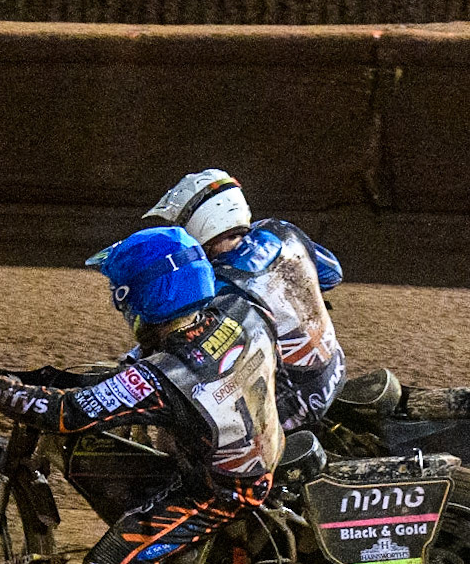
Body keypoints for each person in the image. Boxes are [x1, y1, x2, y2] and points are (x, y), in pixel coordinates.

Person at [0, 226, 285, 564]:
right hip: (260, 444)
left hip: (220, 488)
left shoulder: (169, 375)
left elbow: (65, 413)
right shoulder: (237, 311)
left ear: (142, 297)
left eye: (119, 293)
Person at [146, 169, 345, 434]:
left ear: (202, 222)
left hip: (294, 406)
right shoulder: (280, 230)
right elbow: (332, 275)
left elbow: (191, 351)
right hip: (334, 370)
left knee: (183, 419)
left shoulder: (215, 285)